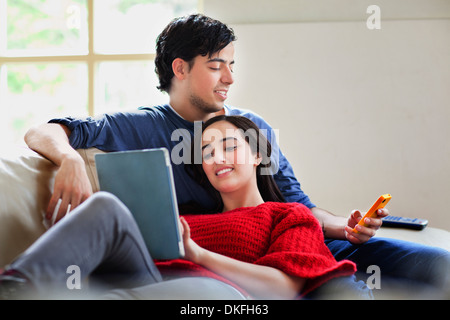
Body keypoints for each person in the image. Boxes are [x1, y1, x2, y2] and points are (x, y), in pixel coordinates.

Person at [23, 14, 449, 297]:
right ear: (180, 68)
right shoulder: (138, 125)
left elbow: (295, 205)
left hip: (295, 245)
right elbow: (45, 131)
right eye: (216, 65)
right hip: (227, 257)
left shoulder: (252, 127)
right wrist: (71, 159)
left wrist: (346, 228)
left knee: (437, 265)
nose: (230, 77)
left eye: (232, 64)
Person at [0, 115, 368, 300]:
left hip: (225, 298)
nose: (217, 157)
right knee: (106, 206)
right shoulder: (183, 216)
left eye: (228, 145)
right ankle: (16, 288)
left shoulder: (288, 215)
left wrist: (197, 254)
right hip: (146, 281)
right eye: (207, 152)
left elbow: (283, 290)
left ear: (257, 154)